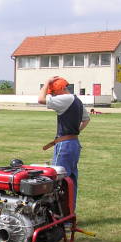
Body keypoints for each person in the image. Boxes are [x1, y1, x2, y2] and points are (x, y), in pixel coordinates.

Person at [38, 76, 90, 207]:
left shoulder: (66, 99)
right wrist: (74, 132)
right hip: (74, 143)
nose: (53, 96)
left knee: (57, 179)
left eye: (53, 93)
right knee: (70, 181)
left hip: (65, 145)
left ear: (60, 89)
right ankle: (69, 213)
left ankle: (56, 214)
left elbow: (41, 99)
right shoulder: (77, 100)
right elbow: (86, 119)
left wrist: (46, 82)